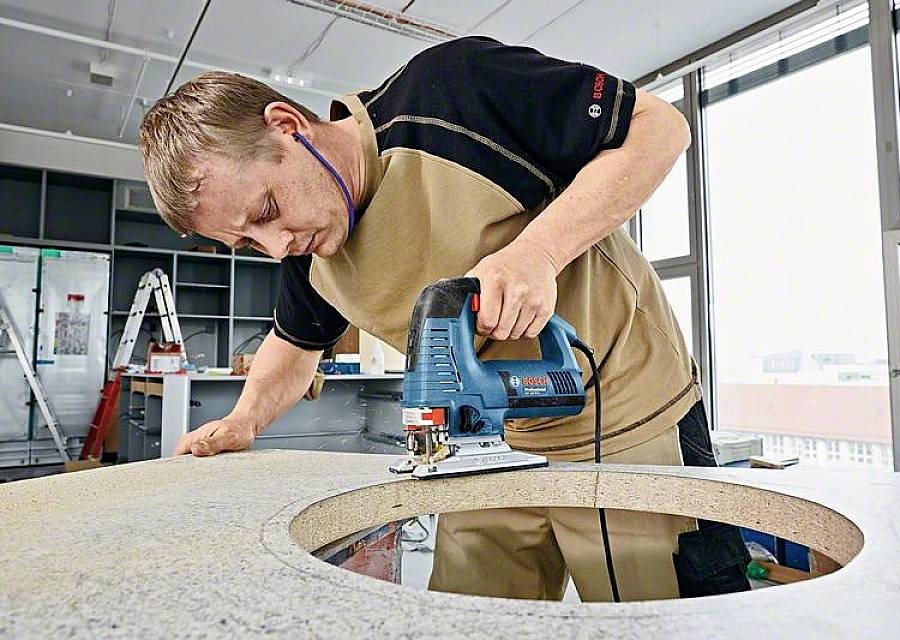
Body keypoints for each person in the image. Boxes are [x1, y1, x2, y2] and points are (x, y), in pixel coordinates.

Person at [139, 36, 750, 601]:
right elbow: (292, 346)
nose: (277, 247)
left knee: (661, 618)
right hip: (492, 448)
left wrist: (537, 253)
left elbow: (661, 127)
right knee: (463, 617)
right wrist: (244, 420)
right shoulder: (311, 246)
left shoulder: (452, 91)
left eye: (268, 210)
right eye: (249, 243)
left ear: (288, 126)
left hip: (628, 420)